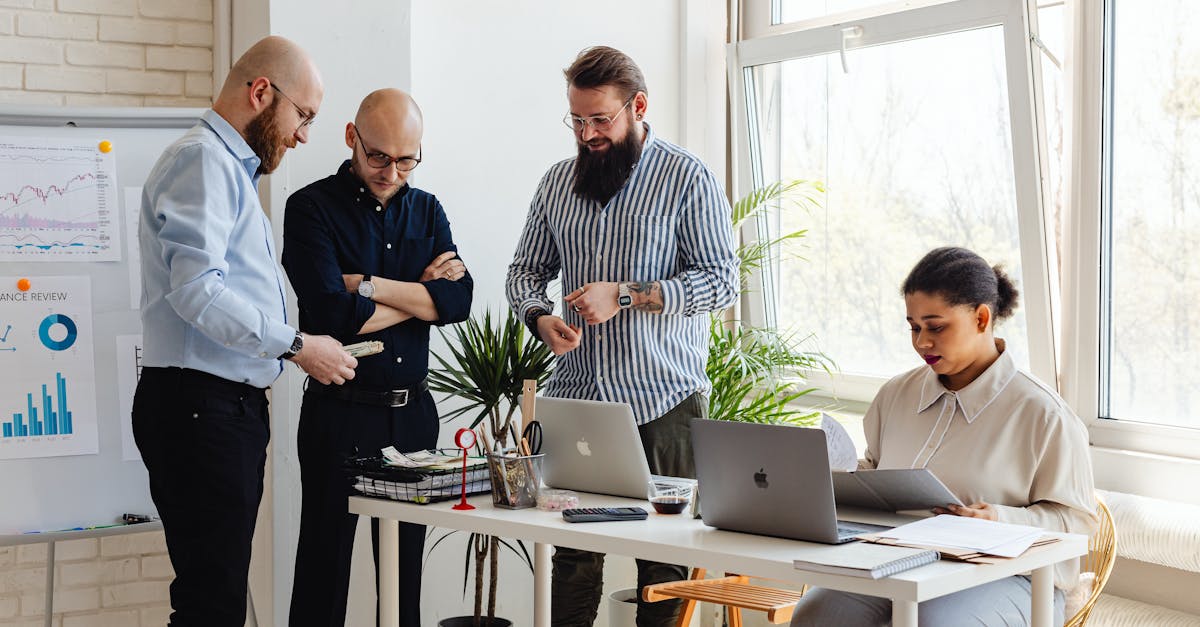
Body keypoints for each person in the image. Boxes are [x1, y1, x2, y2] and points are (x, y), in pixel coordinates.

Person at [505, 46, 739, 627]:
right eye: (577, 120)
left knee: (665, 564)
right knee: (574, 560)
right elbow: (523, 273)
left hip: (667, 404)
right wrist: (539, 317)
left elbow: (721, 282)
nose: (587, 134)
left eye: (600, 119)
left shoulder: (687, 177)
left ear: (637, 106)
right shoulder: (557, 184)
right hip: (581, 402)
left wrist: (628, 294)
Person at [134, 36, 358, 627]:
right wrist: (298, 346)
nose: (304, 135)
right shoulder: (204, 161)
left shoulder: (225, 168)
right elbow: (196, 290)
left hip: (210, 408)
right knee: (213, 601)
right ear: (262, 92)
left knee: (215, 594)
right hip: (200, 408)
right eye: (303, 115)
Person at [790, 246, 1098, 627]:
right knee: (817, 615)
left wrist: (999, 518)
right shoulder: (896, 394)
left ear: (982, 318)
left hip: (1010, 577)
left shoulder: (1044, 414)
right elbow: (874, 470)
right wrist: (835, 475)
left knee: (930, 623)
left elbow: (1078, 524)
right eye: (913, 327)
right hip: (894, 560)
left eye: (935, 327)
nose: (921, 342)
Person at [282, 88, 473, 627]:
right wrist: (420, 296)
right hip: (337, 412)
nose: (393, 171)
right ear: (351, 138)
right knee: (323, 569)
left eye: (407, 159)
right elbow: (328, 317)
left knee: (402, 573)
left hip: (412, 414)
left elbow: (457, 301)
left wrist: (367, 287)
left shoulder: (428, 209)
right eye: (379, 156)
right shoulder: (310, 208)